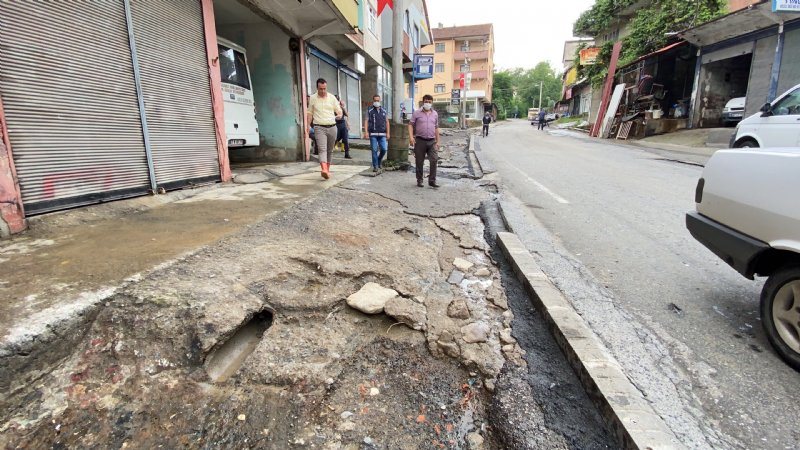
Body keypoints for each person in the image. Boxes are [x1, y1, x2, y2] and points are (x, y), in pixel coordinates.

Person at [306, 78, 342, 179]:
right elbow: (310, 113)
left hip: (332, 127)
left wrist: (339, 114)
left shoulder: (332, 98)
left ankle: (327, 170)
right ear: (317, 88)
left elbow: (339, 110)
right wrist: (308, 126)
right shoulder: (312, 98)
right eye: (320, 89)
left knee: (330, 151)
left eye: (324, 88)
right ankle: (324, 169)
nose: (322, 91)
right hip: (319, 127)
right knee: (322, 149)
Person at [408, 94, 440, 188]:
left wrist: (438, 141)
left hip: (431, 141)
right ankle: (420, 180)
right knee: (419, 161)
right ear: (423, 102)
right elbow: (410, 125)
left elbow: (436, 127)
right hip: (420, 140)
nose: (428, 103)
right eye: (426, 102)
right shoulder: (417, 113)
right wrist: (411, 137)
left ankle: (432, 181)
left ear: (432, 103)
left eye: (430, 102)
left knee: (434, 160)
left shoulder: (435, 114)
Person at [363, 94, 390, 172]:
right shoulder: (369, 110)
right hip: (373, 134)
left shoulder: (384, 110)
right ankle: (375, 166)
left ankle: (379, 160)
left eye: (378, 100)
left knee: (384, 149)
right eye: (375, 100)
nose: (376, 102)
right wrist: (366, 132)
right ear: (373, 101)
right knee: (374, 150)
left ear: (380, 100)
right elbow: (366, 121)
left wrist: (388, 133)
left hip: (382, 134)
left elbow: (387, 122)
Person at [334, 95, 352, 159]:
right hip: (335, 124)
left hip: (343, 124)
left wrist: (343, 107)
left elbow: (347, 115)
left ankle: (347, 154)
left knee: (345, 139)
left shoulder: (340, 107)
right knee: (336, 138)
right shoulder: (332, 107)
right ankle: (331, 149)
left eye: (337, 100)